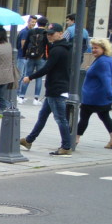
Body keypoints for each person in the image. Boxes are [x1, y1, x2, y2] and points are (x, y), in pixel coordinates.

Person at [19, 22, 73, 156]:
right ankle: (29, 140)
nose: (49, 36)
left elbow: (47, 68)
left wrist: (30, 77)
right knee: (42, 116)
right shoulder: (64, 47)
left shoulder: (58, 50)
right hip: (56, 87)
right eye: (48, 34)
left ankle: (66, 146)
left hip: (56, 88)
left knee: (60, 119)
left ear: (60, 33)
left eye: (52, 34)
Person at [77, 37, 112, 150]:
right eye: (92, 48)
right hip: (99, 96)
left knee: (84, 118)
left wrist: (110, 94)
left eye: (96, 48)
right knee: (105, 116)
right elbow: (109, 76)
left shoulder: (103, 62)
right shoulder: (107, 59)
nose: (93, 50)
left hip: (94, 96)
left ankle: (75, 139)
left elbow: (106, 78)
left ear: (103, 48)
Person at [19, 15, 49, 104]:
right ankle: (36, 99)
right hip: (41, 57)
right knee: (39, 77)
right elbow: (48, 46)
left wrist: (25, 54)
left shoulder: (31, 31)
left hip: (30, 56)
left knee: (27, 75)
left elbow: (26, 43)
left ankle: (21, 96)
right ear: (45, 24)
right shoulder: (46, 33)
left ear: (37, 23)